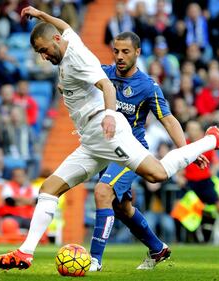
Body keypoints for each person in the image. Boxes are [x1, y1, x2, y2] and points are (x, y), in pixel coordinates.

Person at [0, 5, 219, 270]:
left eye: (44, 50)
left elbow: (107, 86)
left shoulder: (86, 62)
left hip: (111, 134)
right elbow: (65, 27)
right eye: (39, 52)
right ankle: (25, 253)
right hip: (91, 140)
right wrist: (42, 15)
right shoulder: (67, 40)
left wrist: (110, 115)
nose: (43, 56)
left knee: (150, 177)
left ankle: (212, 139)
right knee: (49, 189)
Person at [89, 31, 191, 271]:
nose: (120, 57)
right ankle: (158, 249)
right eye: (116, 51)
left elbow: (168, 119)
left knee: (103, 192)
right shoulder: (104, 74)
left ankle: (94, 260)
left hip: (130, 152)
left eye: (125, 51)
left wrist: (187, 152)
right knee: (122, 208)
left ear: (137, 52)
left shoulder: (147, 86)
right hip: (107, 151)